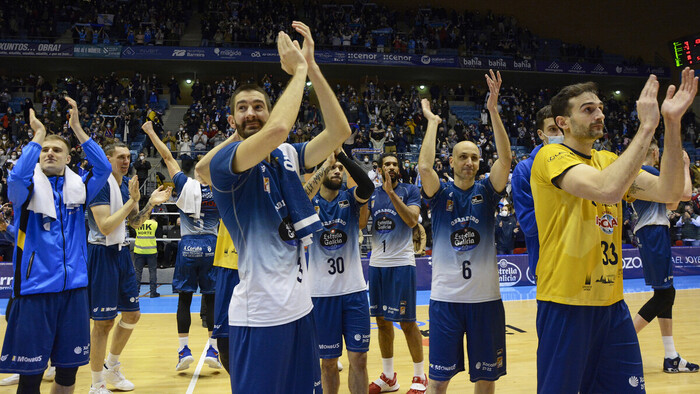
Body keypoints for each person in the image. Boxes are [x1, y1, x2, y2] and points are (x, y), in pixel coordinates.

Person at [202, 23, 351, 393]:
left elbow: (338, 132)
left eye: (258, 106)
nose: (251, 113)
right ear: (232, 120)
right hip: (261, 317)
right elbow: (279, 130)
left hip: (300, 308)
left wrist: (313, 68)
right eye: (242, 108)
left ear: (268, 110)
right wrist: (298, 71)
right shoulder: (224, 164)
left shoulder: (285, 156)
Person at [531, 68, 697, 393]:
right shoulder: (550, 156)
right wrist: (647, 126)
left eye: (600, 107)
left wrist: (672, 125)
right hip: (566, 303)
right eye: (588, 109)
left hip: (612, 304)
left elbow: (671, 192)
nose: (599, 114)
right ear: (562, 121)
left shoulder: (608, 160)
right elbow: (606, 190)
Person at [0, 99, 111, 393]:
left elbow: (104, 166)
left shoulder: (80, 187)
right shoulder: (25, 190)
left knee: (67, 375)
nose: (50, 153)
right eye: (45, 151)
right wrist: (37, 137)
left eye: (57, 150)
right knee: (31, 377)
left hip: (74, 291)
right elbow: (16, 177)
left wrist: (77, 128)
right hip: (36, 292)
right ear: (38, 157)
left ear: (68, 159)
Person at [418, 70, 510, 394]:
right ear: (452, 161)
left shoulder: (487, 191)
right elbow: (424, 168)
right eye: (462, 157)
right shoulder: (440, 194)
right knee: (438, 381)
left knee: (486, 380)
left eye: (474, 157)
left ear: (479, 161)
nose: (469, 162)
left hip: (486, 301)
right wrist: (432, 123)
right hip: (446, 301)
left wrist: (494, 111)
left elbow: (507, 159)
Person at [87, 140, 172, 393]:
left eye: (128, 157)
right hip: (102, 253)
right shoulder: (99, 184)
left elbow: (134, 222)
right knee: (103, 323)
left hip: (123, 252)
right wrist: (132, 200)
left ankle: (111, 368)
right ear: (107, 159)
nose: (126, 161)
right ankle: (96, 384)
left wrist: (150, 204)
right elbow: (105, 226)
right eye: (120, 157)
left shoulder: (127, 185)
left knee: (132, 315)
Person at [142, 120, 222, 372]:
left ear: (196, 171)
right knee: (211, 300)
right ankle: (213, 349)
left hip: (188, 247)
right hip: (211, 246)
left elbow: (166, 155)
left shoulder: (184, 184)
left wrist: (151, 132)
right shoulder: (220, 189)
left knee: (184, 300)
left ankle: (183, 350)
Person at [304, 148, 374, 394]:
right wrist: (326, 163)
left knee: (359, 360)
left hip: (354, 292)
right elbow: (298, 197)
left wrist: (341, 157)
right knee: (328, 363)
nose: (336, 171)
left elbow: (368, 186)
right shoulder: (309, 204)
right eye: (332, 168)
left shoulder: (350, 199)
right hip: (321, 295)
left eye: (339, 169)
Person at [631, 142, 698, 373]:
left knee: (665, 293)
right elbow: (683, 196)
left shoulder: (638, 174)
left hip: (649, 232)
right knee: (665, 295)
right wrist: (685, 165)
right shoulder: (649, 172)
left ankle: (671, 357)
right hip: (653, 231)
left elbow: (672, 202)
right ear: (656, 153)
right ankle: (620, 342)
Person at [367, 148, 424, 393]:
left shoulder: (410, 190)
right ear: (379, 170)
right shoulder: (371, 195)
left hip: (401, 264)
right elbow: (361, 222)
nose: (391, 167)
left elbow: (412, 220)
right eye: (386, 164)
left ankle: (420, 377)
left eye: (394, 164)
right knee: (381, 321)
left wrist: (391, 194)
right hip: (377, 264)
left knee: (408, 322)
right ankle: (389, 377)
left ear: (399, 169)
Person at [511, 106, 563, 274]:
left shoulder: (582, 163)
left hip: (585, 262)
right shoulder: (525, 170)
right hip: (548, 266)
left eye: (562, 128)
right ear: (541, 134)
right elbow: (528, 225)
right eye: (553, 129)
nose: (559, 134)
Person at [133, 217, 160, 298]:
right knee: (152, 272)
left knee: (138, 272)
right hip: (151, 251)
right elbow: (158, 234)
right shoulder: (154, 223)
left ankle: (135, 292)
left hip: (139, 250)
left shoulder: (136, 223)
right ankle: (153, 292)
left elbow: (133, 233)